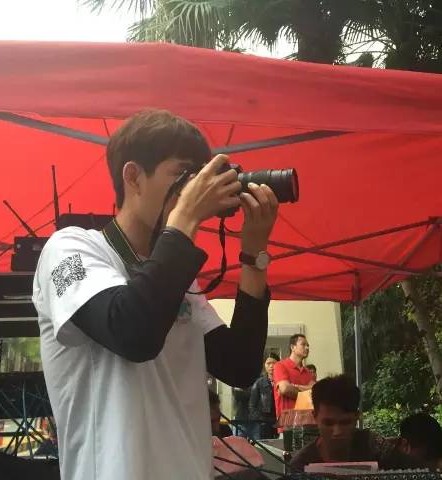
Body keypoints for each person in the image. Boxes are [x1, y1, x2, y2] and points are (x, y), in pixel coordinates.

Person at [33, 110, 279, 480]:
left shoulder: (175, 277)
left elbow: (240, 366)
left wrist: (254, 255)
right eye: (183, 175)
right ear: (133, 176)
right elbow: (133, 333)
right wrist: (185, 219)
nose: (195, 191)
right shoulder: (71, 249)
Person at [290, 375, 442, 473]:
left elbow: (417, 471)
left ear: (356, 418)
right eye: (328, 423)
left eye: (345, 422)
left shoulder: (372, 444)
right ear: (315, 417)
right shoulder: (300, 464)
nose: (337, 431)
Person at [273, 334, 315, 423]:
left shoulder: (308, 372)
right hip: (287, 424)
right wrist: (307, 391)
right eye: (303, 344)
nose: (307, 348)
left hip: (306, 423)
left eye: (308, 345)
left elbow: (315, 392)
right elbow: (285, 389)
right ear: (292, 347)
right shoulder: (280, 366)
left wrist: (294, 386)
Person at [249, 353, 279, 439]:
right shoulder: (259, 383)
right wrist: (260, 420)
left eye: (274, 363)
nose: (271, 366)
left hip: (279, 420)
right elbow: (252, 405)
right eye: (268, 363)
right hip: (264, 423)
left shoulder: (283, 381)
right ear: (264, 365)